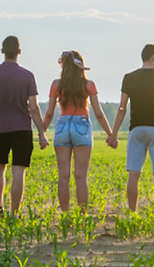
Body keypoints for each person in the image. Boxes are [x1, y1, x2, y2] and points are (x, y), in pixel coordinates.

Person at [0, 35, 49, 215]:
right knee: (18, 170)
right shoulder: (27, 76)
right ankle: (14, 212)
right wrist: (42, 133)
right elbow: (34, 108)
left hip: (0, 129)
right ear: (19, 52)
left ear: (2, 51)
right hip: (22, 129)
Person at [42, 51, 115, 211]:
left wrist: (42, 133)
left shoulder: (56, 85)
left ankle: (65, 214)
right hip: (81, 124)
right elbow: (98, 113)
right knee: (81, 176)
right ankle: (82, 215)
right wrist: (111, 134)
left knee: (64, 175)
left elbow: (49, 113)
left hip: (62, 125)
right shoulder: (88, 85)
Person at [108, 44, 154, 212]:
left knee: (133, 173)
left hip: (136, 129)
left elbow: (122, 108)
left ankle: (133, 213)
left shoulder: (129, 78)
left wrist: (114, 134)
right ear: (152, 57)